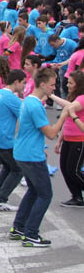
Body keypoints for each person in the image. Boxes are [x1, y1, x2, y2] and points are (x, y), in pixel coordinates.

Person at [9, 68, 65, 247]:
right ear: (42, 84)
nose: (54, 88)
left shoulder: (28, 101)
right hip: (31, 156)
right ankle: (31, 234)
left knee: (34, 191)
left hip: (23, 152)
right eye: (52, 85)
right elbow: (51, 133)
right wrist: (63, 116)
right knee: (45, 194)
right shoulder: (35, 106)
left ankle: (19, 228)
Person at [0, 69, 27, 211]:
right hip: (3, 139)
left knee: (8, 167)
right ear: (16, 82)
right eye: (23, 83)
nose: (24, 86)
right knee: (18, 169)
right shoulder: (11, 98)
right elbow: (25, 115)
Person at [54, 70, 84, 207]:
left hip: (79, 140)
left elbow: (69, 107)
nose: (67, 85)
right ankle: (77, 197)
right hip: (68, 138)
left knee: (74, 171)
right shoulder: (73, 97)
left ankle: (78, 195)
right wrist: (60, 140)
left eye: (71, 83)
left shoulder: (82, 98)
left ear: (78, 85)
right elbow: (67, 121)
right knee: (65, 169)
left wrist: (50, 95)